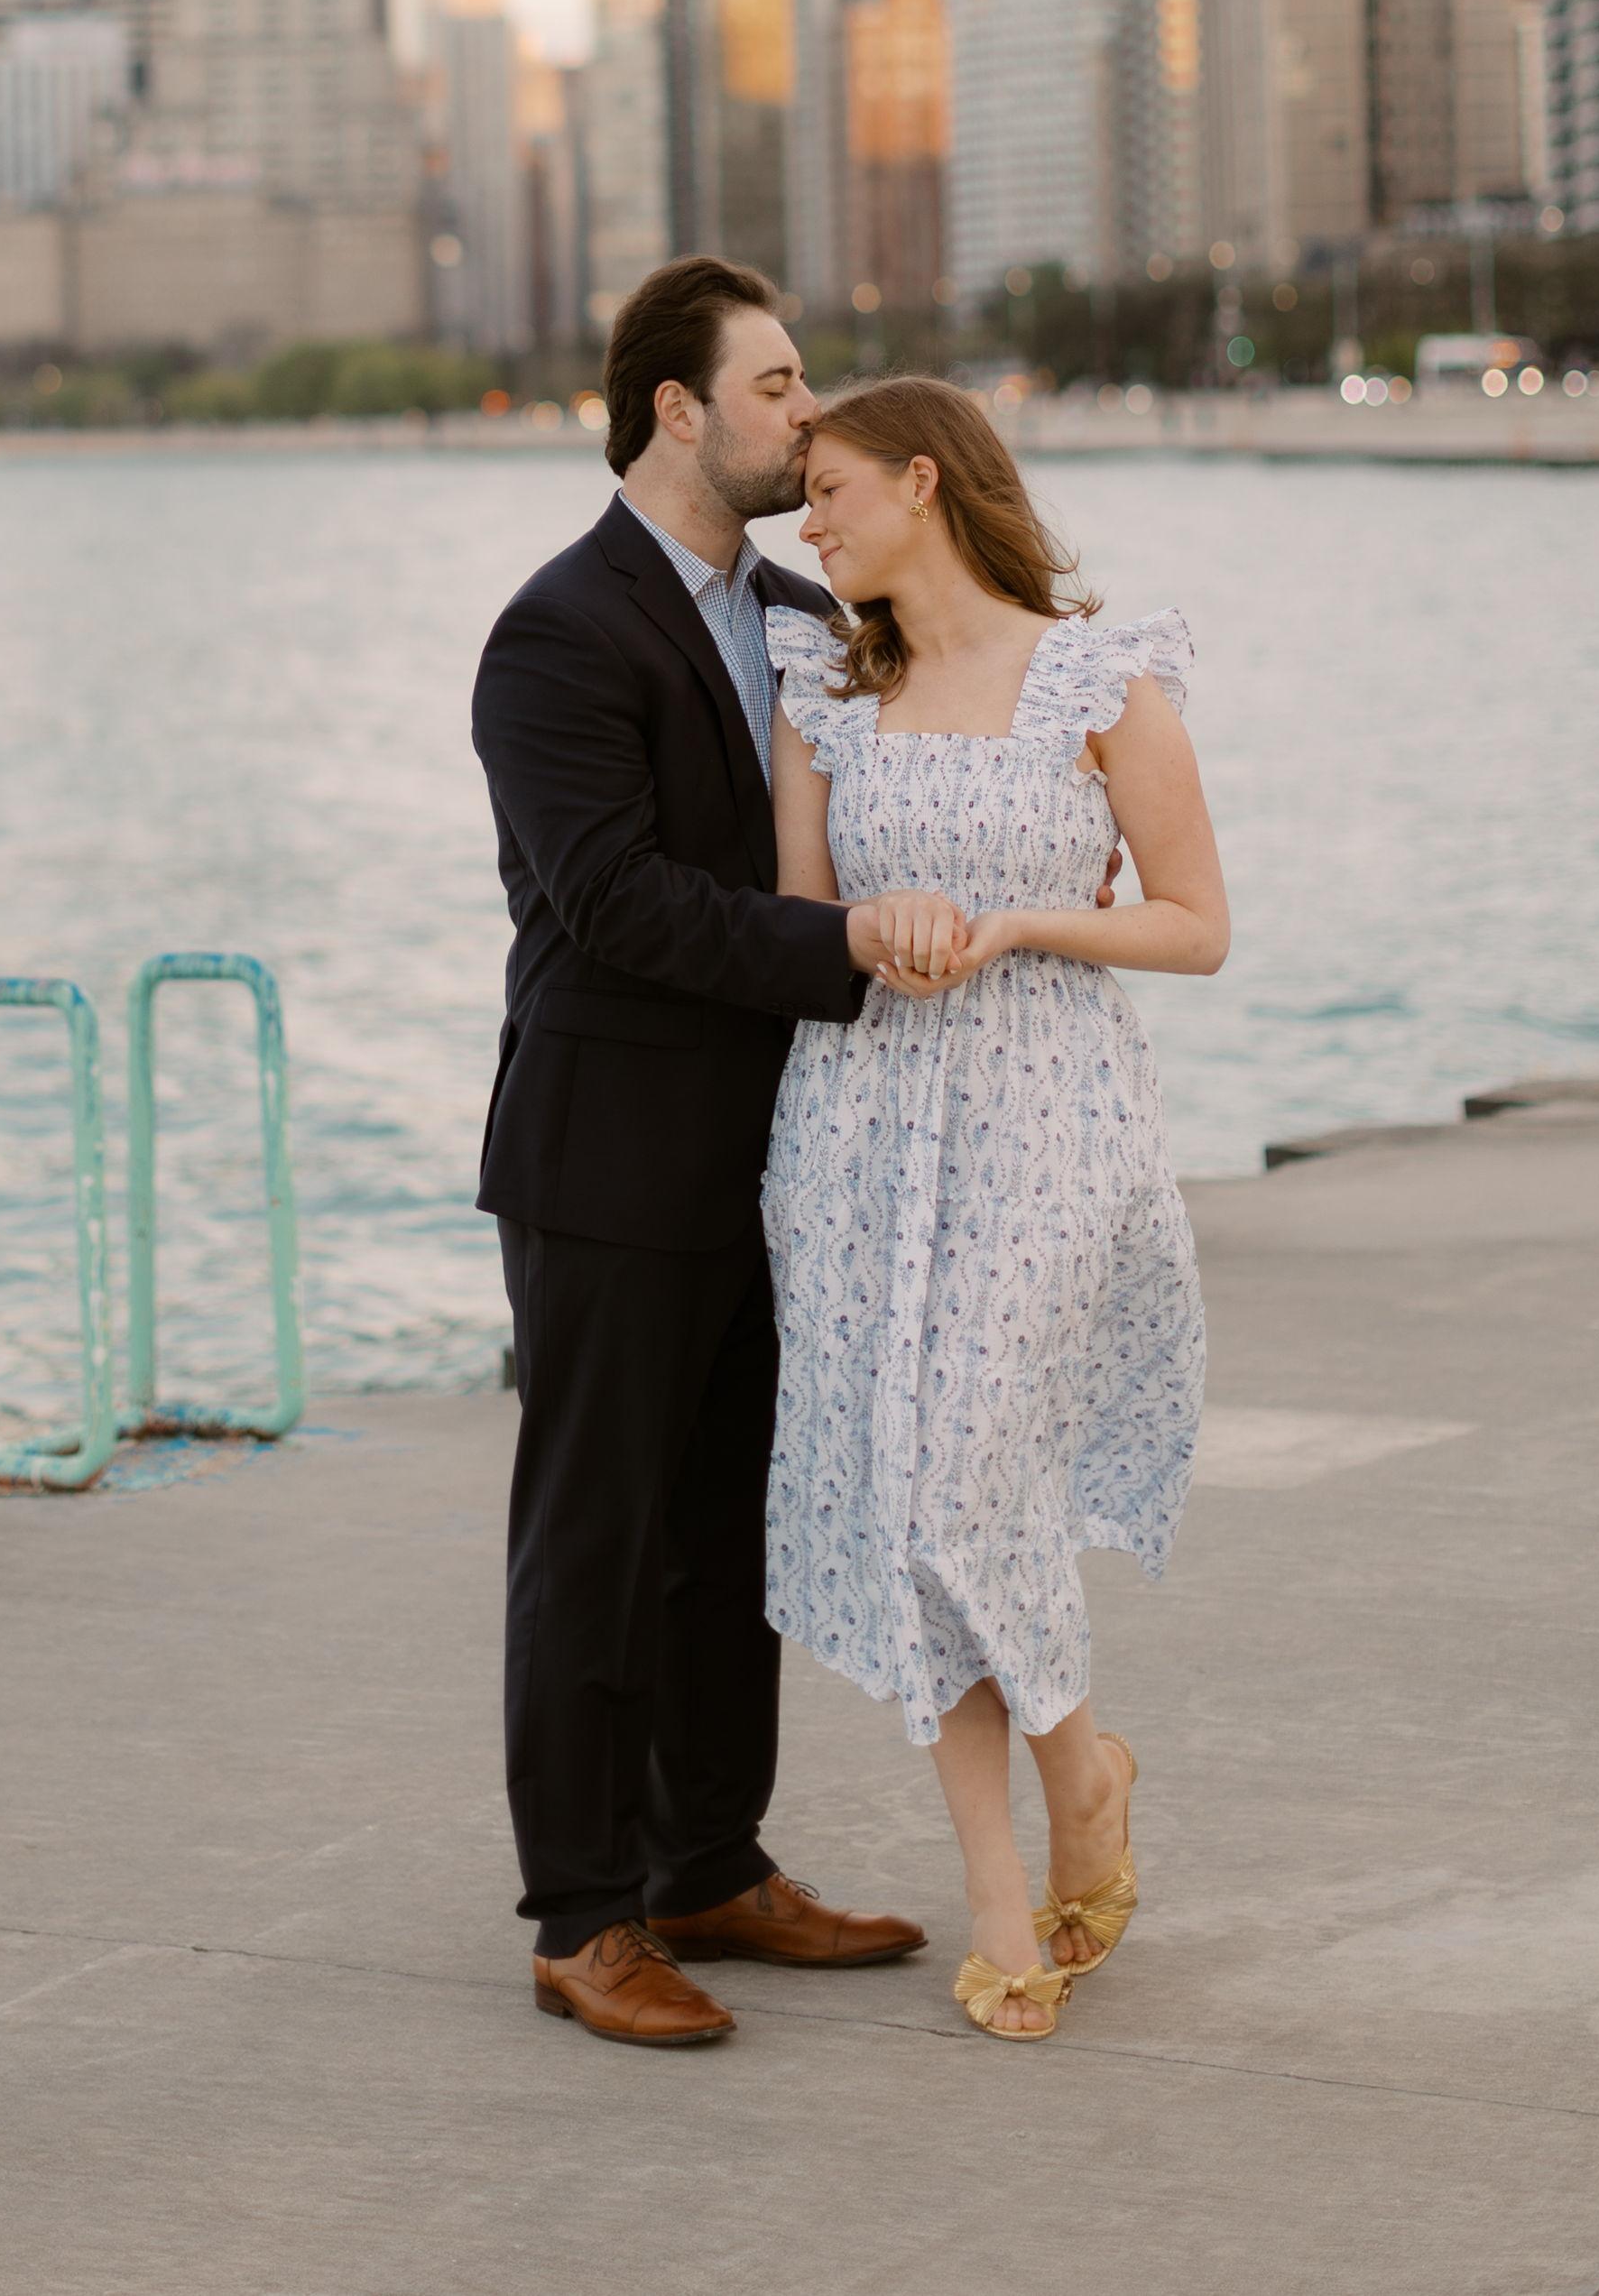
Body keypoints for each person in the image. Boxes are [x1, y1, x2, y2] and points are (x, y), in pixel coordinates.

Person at [466, 255, 955, 2047]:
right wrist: (847, 947)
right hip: (608, 1157)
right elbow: (617, 905)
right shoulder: (556, 633)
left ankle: (707, 1867)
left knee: (727, 1537)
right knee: (592, 1542)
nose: (807, 413)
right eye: (776, 384)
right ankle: (583, 1917)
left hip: (781, 1157)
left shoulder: (811, 615)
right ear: (677, 411)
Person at [757, 373, 1230, 2043]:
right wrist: (873, 924)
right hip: (863, 1132)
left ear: (923, 482)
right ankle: (997, 1903)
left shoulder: (1099, 677)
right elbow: (803, 921)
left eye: (827, 490)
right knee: (908, 1502)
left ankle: (1082, 1775)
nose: (807, 525)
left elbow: (1195, 924)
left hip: (1046, 1120)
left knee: (966, 1473)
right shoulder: (825, 694)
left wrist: (1021, 924)